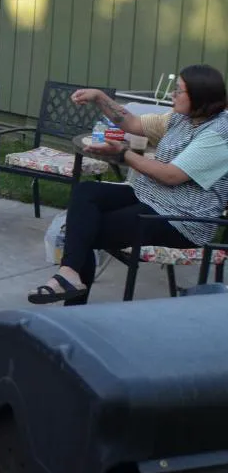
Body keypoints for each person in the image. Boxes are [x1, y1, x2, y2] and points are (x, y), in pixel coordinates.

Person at [28, 65, 228, 305]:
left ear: (200, 96)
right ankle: (69, 274)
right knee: (87, 192)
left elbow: (171, 176)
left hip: (182, 220)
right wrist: (99, 98)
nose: (172, 95)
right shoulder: (182, 118)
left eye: (178, 91)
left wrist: (123, 154)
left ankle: (72, 302)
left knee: (86, 231)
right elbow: (132, 123)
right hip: (151, 197)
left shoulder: (219, 134)